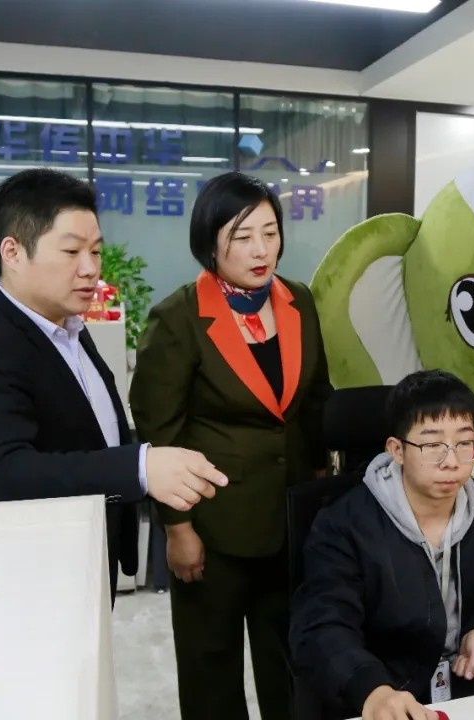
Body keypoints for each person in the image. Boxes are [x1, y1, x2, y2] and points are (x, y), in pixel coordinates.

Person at [0, 168, 228, 603]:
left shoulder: (70, 328)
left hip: (87, 558)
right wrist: (139, 468)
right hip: (30, 581)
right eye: (72, 251)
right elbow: (0, 475)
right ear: (12, 252)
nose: (91, 269)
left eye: (95, 251)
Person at [129, 171, 332, 720]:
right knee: (210, 670)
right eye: (243, 237)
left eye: (270, 232)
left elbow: (314, 400)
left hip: (289, 519)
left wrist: (319, 488)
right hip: (213, 526)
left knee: (292, 660)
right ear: (210, 242)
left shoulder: (299, 301)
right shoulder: (178, 318)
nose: (261, 250)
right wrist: (178, 529)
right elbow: (159, 431)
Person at [289, 370, 474, 720]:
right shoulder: (344, 525)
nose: (451, 461)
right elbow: (322, 624)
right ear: (396, 450)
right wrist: (373, 690)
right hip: (389, 694)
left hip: (472, 693)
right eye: (432, 446)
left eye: (464, 443)